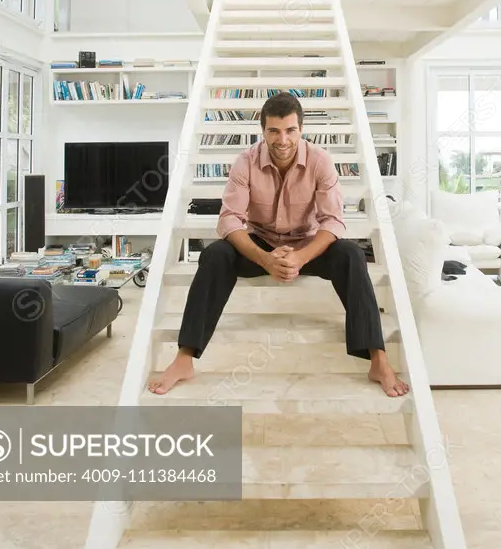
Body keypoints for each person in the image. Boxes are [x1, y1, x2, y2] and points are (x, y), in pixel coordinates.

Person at [148, 92, 408, 398]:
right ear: (263, 131)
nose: (282, 139)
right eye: (273, 131)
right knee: (215, 254)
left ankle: (378, 358)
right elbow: (229, 221)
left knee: (351, 254)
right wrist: (265, 259)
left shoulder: (320, 161)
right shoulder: (245, 162)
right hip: (260, 242)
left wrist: (299, 258)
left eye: (290, 131)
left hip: (307, 243)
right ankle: (184, 358)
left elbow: (333, 222)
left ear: (301, 130)